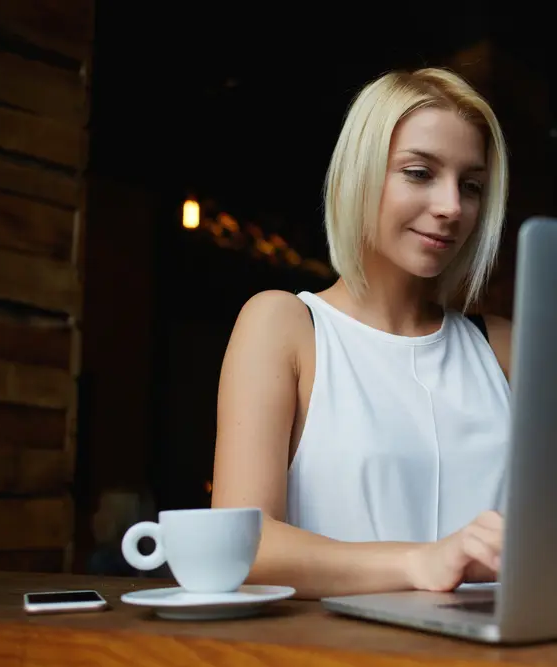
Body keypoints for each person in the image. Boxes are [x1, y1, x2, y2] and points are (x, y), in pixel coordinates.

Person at [210, 67, 512, 600]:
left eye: (471, 185)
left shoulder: (505, 347)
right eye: (420, 172)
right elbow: (242, 547)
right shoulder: (283, 325)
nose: (451, 207)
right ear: (361, 174)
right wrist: (422, 561)